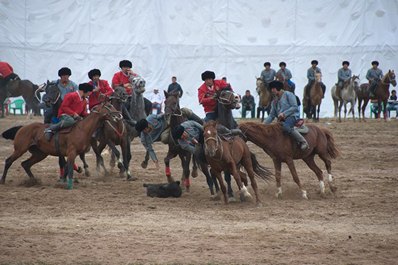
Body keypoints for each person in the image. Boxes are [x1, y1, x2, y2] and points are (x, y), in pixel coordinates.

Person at [264, 80, 309, 151]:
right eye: (271, 89)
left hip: (292, 117)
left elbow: (294, 107)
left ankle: (303, 142)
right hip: (281, 121)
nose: (272, 90)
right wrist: (263, 125)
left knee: (285, 126)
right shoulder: (274, 101)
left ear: (278, 88)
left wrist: (284, 114)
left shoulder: (289, 94)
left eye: (273, 88)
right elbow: (271, 115)